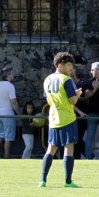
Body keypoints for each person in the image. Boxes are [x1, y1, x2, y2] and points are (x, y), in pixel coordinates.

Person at [39, 52, 83, 188]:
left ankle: (43, 180)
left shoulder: (47, 80)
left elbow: (48, 99)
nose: (71, 68)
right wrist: (78, 94)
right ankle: (68, 181)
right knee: (68, 148)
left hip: (53, 118)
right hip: (67, 118)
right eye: (68, 65)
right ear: (60, 65)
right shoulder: (66, 80)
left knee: (51, 149)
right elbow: (73, 101)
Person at [0, 67, 21, 159]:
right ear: (8, 75)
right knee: (8, 138)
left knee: (0, 135)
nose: (13, 75)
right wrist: (19, 114)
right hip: (7, 114)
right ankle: (6, 158)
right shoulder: (10, 86)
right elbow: (14, 102)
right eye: (12, 74)